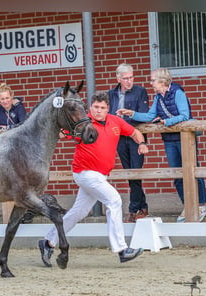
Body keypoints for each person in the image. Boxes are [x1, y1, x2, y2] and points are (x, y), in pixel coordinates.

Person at [38, 91, 147, 268]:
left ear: (107, 109)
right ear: (90, 107)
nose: (98, 111)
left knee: (78, 212)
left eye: (102, 108)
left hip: (101, 175)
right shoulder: (82, 121)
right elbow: (61, 132)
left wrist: (141, 144)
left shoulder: (115, 121)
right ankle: (121, 250)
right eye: (95, 107)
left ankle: (48, 242)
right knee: (114, 200)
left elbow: (135, 132)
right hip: (85, 173)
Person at [117, 68, 206, 223]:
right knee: (177, 174)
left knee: (193, 170)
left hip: (185, 138)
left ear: (162, 81)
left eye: (153, 80)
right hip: (169, 139)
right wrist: (130, 113)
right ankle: (187, 205)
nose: (151, 83)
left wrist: (168, 122)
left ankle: (200, 205)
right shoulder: (158, 97)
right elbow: (150, 116)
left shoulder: (178, 93)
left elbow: (185, 115)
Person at [108, 63, 150, 223]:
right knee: (129, 173)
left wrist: (125, 116)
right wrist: (117, 119)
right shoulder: (111, 94)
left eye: (131, 77)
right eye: (125, 78)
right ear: (118, 78)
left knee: (135, 171)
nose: (129, 81)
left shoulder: (140, 91)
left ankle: (133, 210)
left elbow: (143, 114)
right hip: (119, 137)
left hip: (135, 136)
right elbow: (108, 115)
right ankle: (143, 206)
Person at [0, 82, 27, 223]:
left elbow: (23, 125)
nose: (5, 101)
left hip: (18, 147)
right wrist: (2, 128)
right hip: (5, 147)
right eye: (2, 99)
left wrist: (7, 127)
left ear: (11, 97)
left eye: (7, 98)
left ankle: (25, 210)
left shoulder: (19, 108)